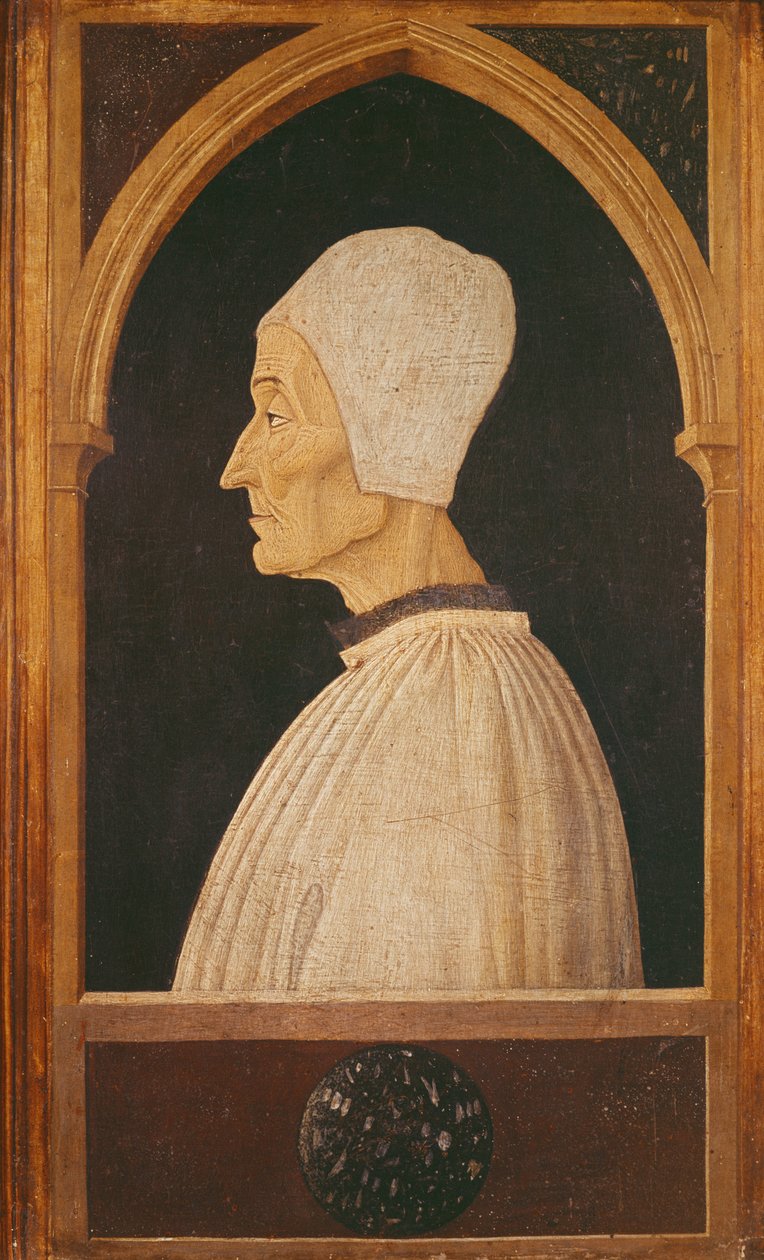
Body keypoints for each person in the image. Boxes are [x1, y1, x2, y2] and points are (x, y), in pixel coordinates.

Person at [173, 227, 644, 994]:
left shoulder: (453, 706)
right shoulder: (412, 673)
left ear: (386, 435)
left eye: (277, 417)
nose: (236, 466)